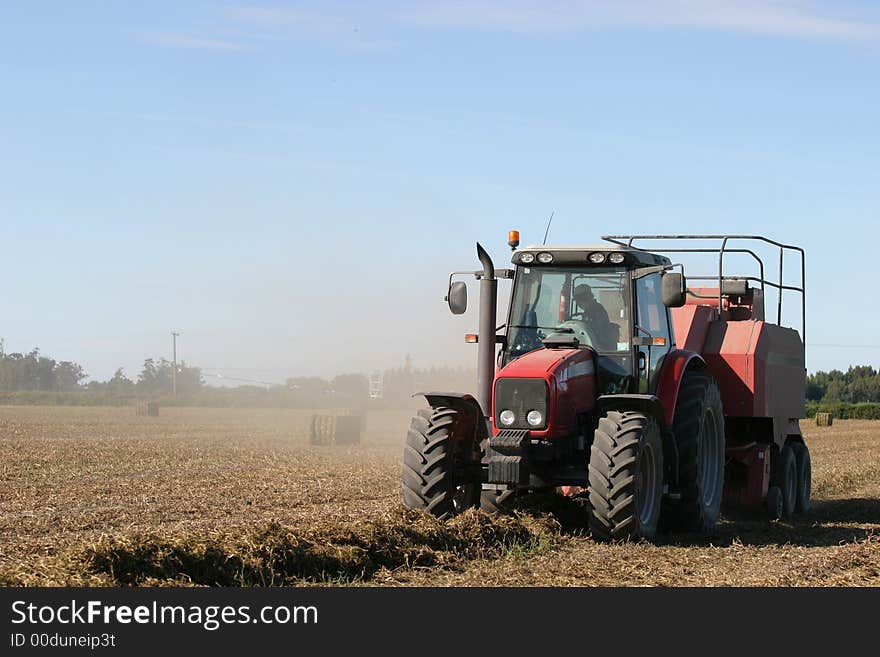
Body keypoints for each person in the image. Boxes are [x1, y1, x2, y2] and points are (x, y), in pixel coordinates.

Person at [572, 283, 617, 349]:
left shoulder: (596, 310)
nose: (578, 303)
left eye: (580, 300)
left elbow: (595, 330)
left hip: (600, 348)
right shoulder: (589, 311)